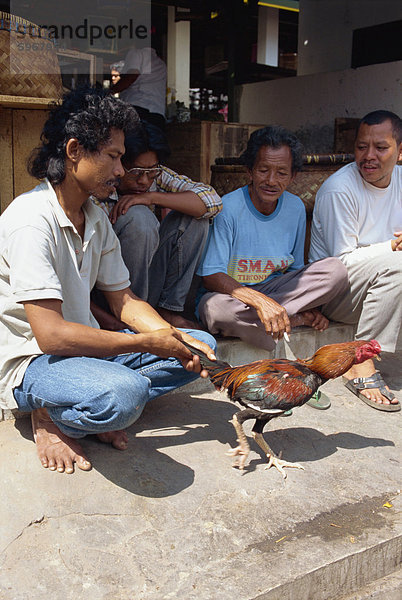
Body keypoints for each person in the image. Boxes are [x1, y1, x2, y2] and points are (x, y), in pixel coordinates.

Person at [0, 87, 217, 475]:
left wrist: (169, 337)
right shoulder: (30, 220)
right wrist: (143, 342)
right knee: (126, 393)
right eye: (114, 157)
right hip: (35, 361)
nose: (121, 170)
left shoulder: (94, 217)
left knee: (200, 347)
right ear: (74, 151)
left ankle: (85, 407)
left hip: (82, 352)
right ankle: (48, 415)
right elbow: (50, 336)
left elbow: (124, 301)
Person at [197, 125, 349, 354]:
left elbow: (295, 271)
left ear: (293, 176)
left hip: (275, 291)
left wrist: (272, 302)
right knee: (215, 310)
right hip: (232, 296)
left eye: (281, 173)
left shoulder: (295, 207)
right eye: (263, 170)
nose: (271, 180)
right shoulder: (228, 208)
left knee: (335, 270)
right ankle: (292, 318)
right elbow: (211, 276)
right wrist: (260, 302)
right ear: (249, 171)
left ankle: (274, 317)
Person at [309, 110, 401, 412]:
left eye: (381, 147)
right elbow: (341, 265)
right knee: (398, 262)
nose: (369, 156)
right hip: (336, 295)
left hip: (382, 285)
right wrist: (391, 247)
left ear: (400, 151)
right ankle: (360, 361)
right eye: (362, 147)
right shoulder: (341, 189)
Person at [92, 121, 222, 329]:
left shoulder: (153, 177)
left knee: (195, 218)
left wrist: (153, 197)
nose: (144, 181)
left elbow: (211, 201)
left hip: (149, 288)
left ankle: (168, 310)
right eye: (135, 172)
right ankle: (132, 318)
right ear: (118, 165)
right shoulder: (99, 188)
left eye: (151, 172)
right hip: (111, 296)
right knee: (138, 218)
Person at [111, 46, 167, 132]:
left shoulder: (137, 53)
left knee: (134, 144)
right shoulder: (161, 64)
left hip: (137, 110)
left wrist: (109, 92)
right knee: (155, 144)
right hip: (157, 114)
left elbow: (131, 76)